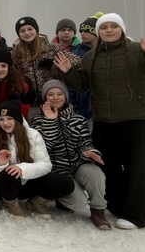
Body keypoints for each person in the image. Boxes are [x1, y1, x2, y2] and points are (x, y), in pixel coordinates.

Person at [55, 13, 145, 229]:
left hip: (136, 117)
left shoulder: (138, 50)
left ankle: (136, 215)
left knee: (136, 167)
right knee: (107, 165)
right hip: (104, 119)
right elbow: (83, 85)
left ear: (122, 29)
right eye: (104, 27)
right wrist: (68, 72)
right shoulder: (90, 57)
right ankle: (117, 205)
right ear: (98, 32)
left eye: (113, 26)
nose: (109, 30)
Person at [30, 80, 111, 230]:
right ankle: (59, 197)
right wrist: (50, 122)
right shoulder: (37, 121)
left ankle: (98, 211)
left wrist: (88, 152)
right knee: (79, 203)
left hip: (76, 165)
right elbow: (43, 148)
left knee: (95, 173)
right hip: (56, 173)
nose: (55, 97)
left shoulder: (78, 119)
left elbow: (85, 141)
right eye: (50, 94)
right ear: (45, 98)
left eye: (59, 94)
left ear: (66, 97)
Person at [0, 101, 75, 219]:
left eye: (10, 118)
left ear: (18, 119)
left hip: (27, 183)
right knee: (10, 173)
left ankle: (36, 202)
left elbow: (46, 165)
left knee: (66, 183)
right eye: (1, 119)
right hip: (3, 186)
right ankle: (9, 203)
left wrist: (22, 168)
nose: (5, 123)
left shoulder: (33, 135)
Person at [11, 16, 81, 115]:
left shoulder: (52, 48)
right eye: (22, 31)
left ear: (36, 30)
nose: (27, 33)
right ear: (18, 34)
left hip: (53, 101)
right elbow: (12, 75)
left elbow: (77, 61)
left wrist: (55, 65)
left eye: (30, 29)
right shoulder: (15, 53)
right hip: (31, 104)